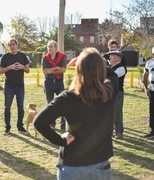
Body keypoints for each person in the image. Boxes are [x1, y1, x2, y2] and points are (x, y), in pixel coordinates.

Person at [34, 48, 118, 180]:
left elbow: (39, 121)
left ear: (79, 70)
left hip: (72, 166)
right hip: (99, 165)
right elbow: (112, 75)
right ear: (101, 69)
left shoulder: (68, 97)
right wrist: (98, 62)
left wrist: (60, 141)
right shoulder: (110, 92)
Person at [0, 38, 30, 135]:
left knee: (20, 107)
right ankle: (7, 128)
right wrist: (9, 68)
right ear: (8, 47)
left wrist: (22, 67)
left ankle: (20, 127)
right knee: (7, 107)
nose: (12, 46)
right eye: (10, 45)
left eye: (13, 44)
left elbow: (28, 70)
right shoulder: (5, 57)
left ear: (17, 45)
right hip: (9, 86)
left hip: (20, 86)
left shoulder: (22, 56)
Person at [41, 40, 67, 130]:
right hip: (48, 82)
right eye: (48, 47)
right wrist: (56, 68)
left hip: (59, 83)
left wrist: (51, 70)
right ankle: (52, 123)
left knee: (62, 103)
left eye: (51, 47)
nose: (49, 48)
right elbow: (45, 71)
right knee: (50, 104)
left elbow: (63, 69)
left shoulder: (61, 57)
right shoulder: (45, 58)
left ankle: (63, 125)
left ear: (56, 48)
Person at [108, 51, 127, 139]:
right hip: (108, 92)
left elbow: (113, 76)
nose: (109, 58)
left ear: (117, 58)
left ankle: (119, 132)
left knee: (117, 113)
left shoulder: (121, 68)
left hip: (117, 93)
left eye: (111, 56)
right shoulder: (109, 67)